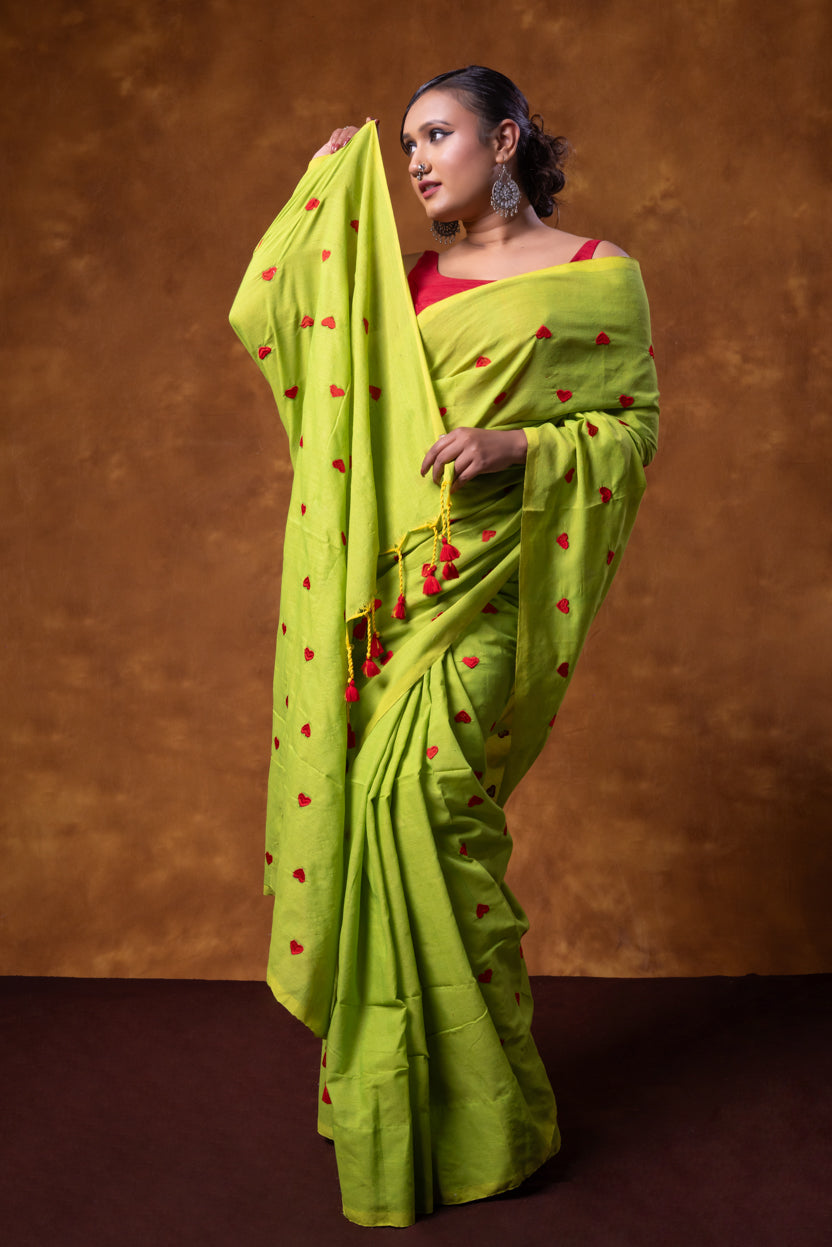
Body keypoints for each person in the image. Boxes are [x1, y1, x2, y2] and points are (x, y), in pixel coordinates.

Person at [229, 65, 659, 1228]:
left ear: (503, 139)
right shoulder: (396, 283)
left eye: (438, 136)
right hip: (391, 603)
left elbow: (630, 426)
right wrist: (323, 194)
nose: (417, 161)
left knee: (422, 807)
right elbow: (271, 322)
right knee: (373, 831)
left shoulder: (596, 279)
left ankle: (491, 1113)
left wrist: (520, 449)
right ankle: (396, 1101)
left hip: (489, 593)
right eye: (407, 143)